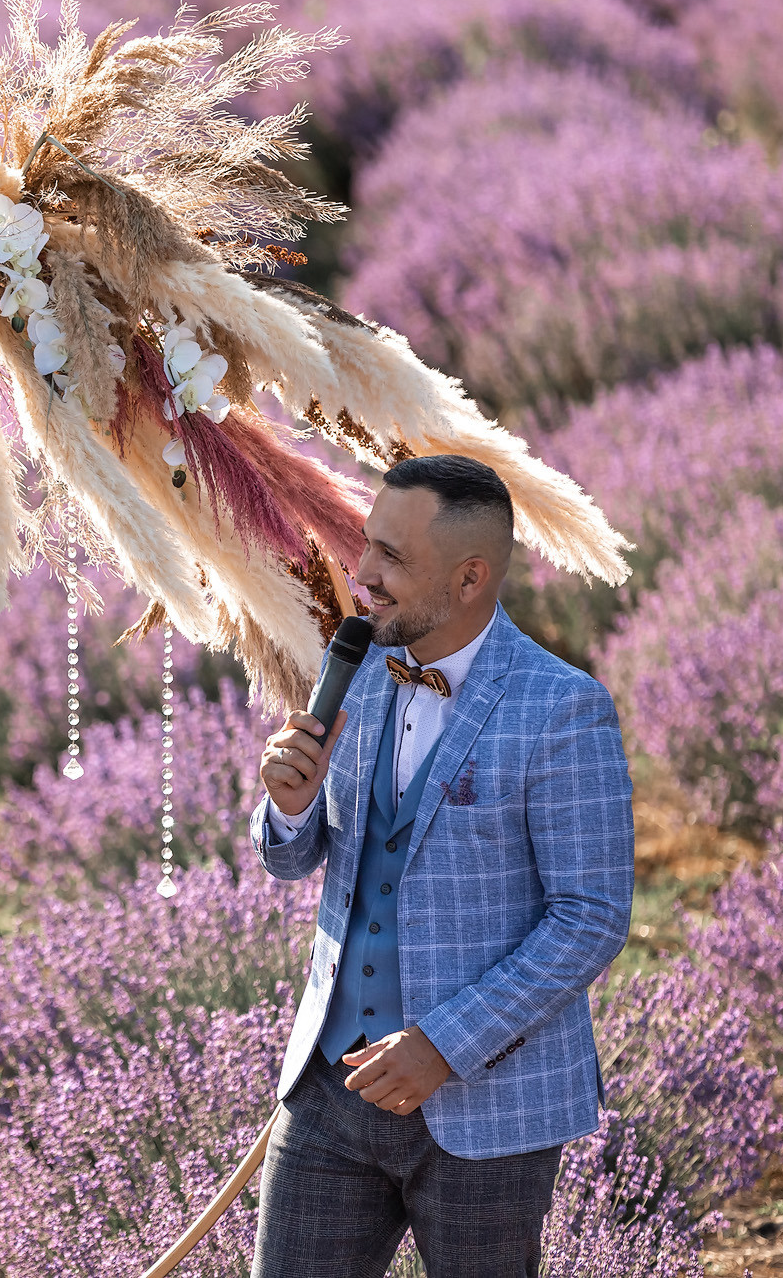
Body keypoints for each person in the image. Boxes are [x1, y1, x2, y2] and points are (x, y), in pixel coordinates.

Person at [248, 455, 634, 1278]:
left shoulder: (563, 709)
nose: (364, 574)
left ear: (469, 578)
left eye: (393, 557)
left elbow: (591, 917)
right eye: (368, 546)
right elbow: (298, 860)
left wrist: (444, 1046)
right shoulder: (351, 666)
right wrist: (286, 806)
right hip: (328, 1093)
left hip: (489, 1115)